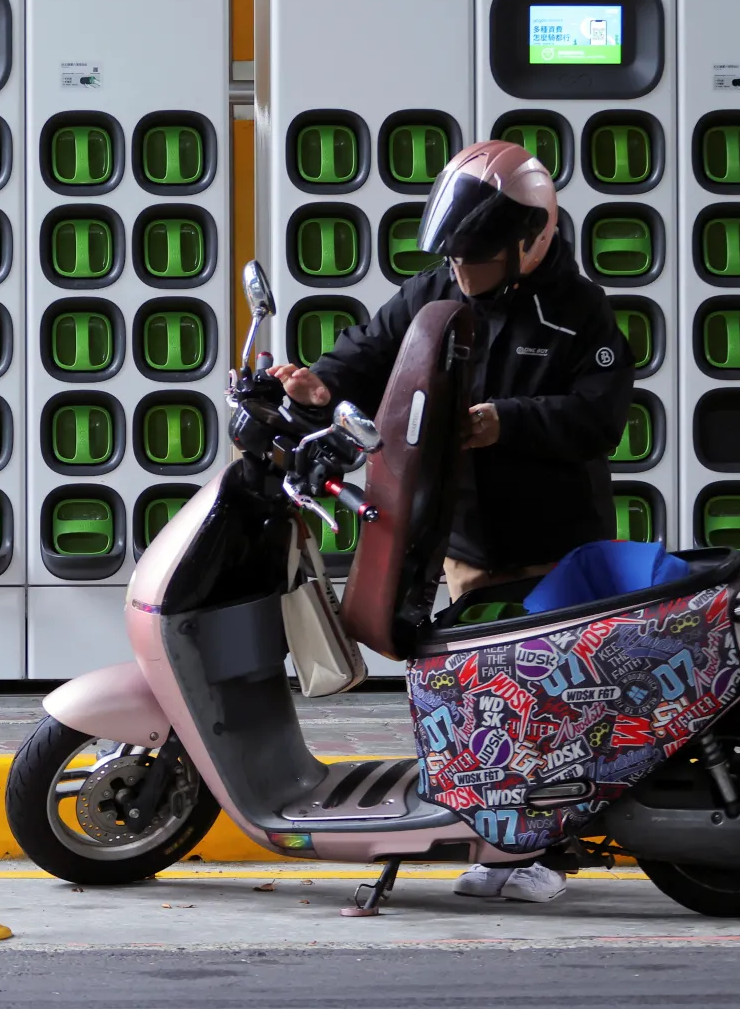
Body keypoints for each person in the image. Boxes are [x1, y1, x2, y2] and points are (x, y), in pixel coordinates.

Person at [266, 138, 633, 904]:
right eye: (457, 257)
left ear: (532, 237)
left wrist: (509, 421)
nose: (462, 273)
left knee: (551, 698)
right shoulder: (440, 286)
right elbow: (368, 352)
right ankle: (503, 837)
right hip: (468, 543)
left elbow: (600, 420)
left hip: (555, 546)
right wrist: (316, 383)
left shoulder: (580, 313)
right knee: (480, 691)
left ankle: (540, 848)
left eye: (479, 257)